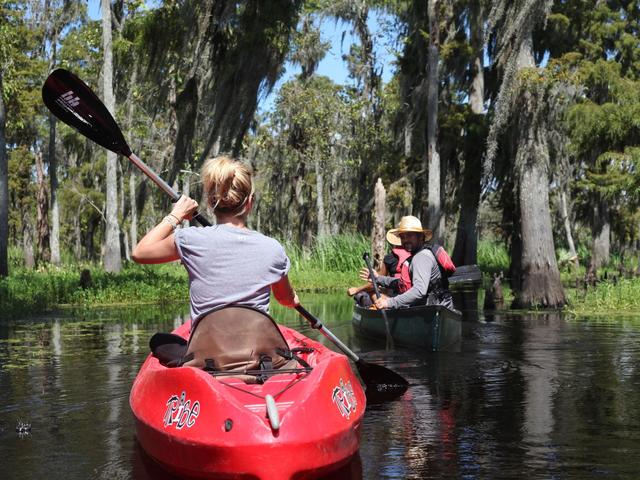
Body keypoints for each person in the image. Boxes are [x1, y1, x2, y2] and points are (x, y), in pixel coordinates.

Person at [132, 155, 299, 328]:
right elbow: (285, 299)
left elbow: (139, 253)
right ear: (249, 203)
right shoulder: (272, 248)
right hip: (255, 351)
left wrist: (177, 215)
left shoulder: (190, 240)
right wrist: (293, 298)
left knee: (161, 342)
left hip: (207, 352)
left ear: (211, 203)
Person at [360, 215, 454, 310]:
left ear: (421, 237)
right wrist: (378, 278)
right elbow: (402, 284)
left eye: (409, 235)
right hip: (439, 307)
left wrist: (389, 303)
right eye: (402, 237)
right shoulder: (422, 254)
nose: (405, 240)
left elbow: (419, 291)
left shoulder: (421, 257)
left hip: (432, 311)